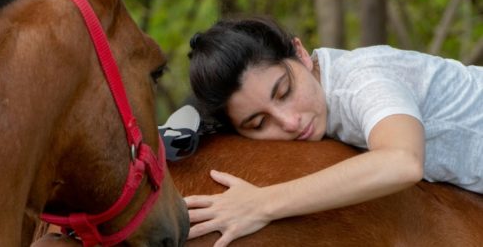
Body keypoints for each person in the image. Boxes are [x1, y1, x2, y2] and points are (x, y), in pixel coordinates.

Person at [185, 17, 483, 247]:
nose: (289, 122)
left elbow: (402, 161)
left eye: (285, 92)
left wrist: (262, 204)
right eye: (259, 123)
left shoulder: (362, 80)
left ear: (301, 53)